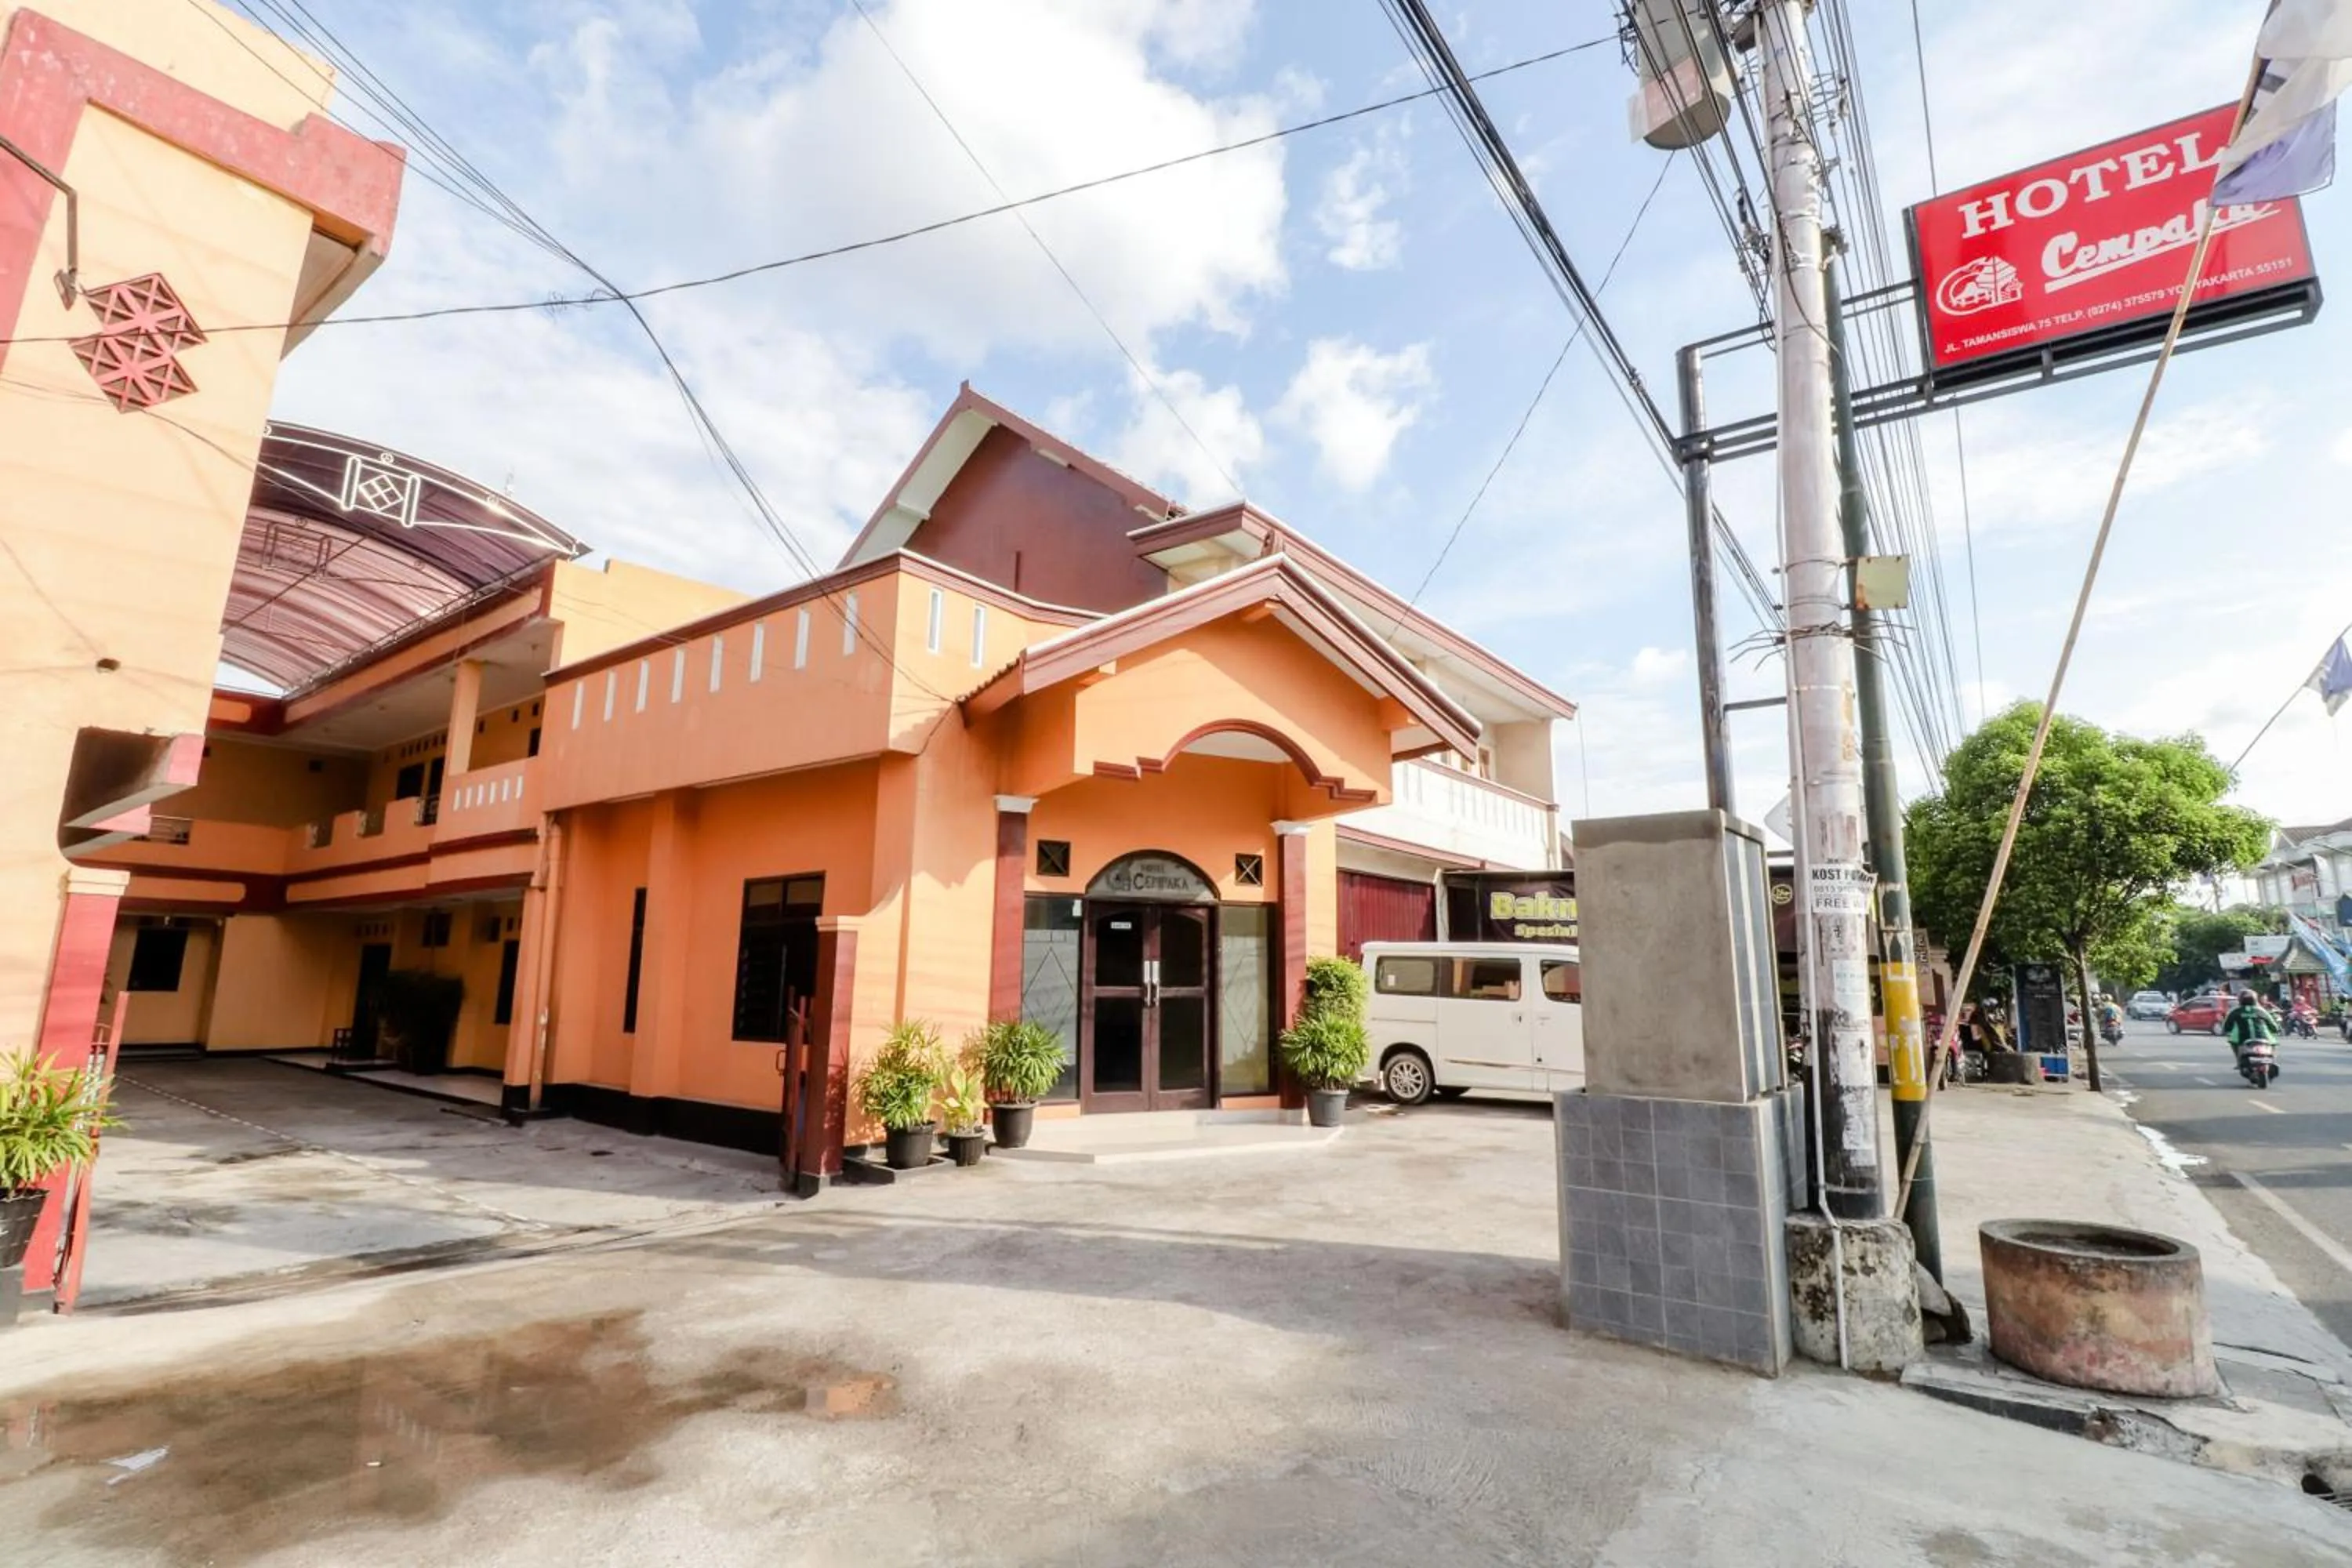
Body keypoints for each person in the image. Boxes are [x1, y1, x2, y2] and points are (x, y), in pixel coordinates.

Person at [2223, 989, 2279, 1073]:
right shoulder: (2261, 1011)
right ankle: (2272, 1060)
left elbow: (2227, 1026)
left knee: (2233, 1042)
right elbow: (2274, 1026)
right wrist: (2275, 1030)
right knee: (2273, 1043)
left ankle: (2239, 1062)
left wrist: (2228, 1031)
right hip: (2264, 1038)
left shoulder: (2235, 1011)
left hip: (2243, 1038)